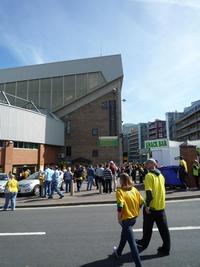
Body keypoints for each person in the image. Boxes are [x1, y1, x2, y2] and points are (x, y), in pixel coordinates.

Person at [136, 158, 171, 256]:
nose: (145, 165)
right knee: (164, 229)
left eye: (147, 164)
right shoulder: (161, 176)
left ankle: (144, 243)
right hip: (161, 206)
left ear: (151, 164)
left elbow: (149, 194)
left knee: (147, 227)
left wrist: (147, 206)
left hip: (151, 207)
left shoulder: (149, 176)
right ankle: (166, 248)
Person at [113, 172, 144, 267]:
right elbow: (142, 201)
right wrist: (137, 210)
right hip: (134, 218)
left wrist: (119, 218)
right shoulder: (134, 189)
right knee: (124, 236)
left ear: (121, 181)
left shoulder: (119, 191)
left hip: (126, 219)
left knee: (132, 245)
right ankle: (118, 252)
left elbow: (120, 205)